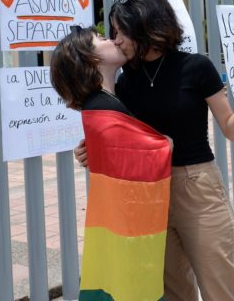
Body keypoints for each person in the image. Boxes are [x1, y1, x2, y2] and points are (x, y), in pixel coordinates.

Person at [75, 0, 234, 301]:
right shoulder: (126, 81)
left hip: (197, 187)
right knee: (173, 291)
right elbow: (126, 140)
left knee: (219, 286)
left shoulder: (197, 67)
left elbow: (231, 129)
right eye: (113, 33)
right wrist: (90, 150)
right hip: (150, 193)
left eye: (121, 31)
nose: (117, 40)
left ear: (145, 25)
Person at [51, 26, 173, 301]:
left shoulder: (108, 100)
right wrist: (167, 143)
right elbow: (148, 152)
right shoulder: (102, 106)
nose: (113, 40)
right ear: (90, 58)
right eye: (102, 38)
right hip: (127, 223)